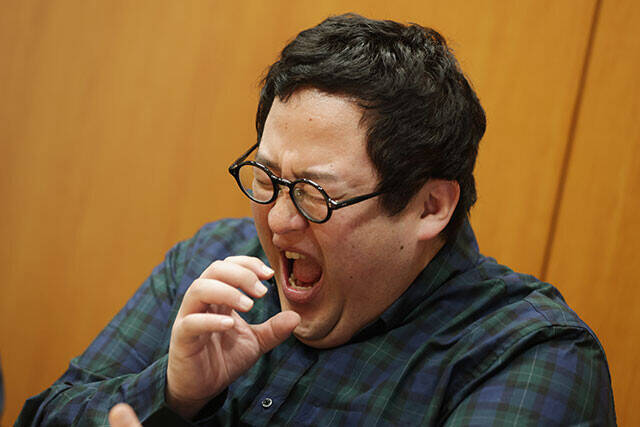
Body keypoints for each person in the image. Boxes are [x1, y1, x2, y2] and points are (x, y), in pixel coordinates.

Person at [18, 13, 615, 426]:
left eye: (314, 194)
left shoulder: (530, 354)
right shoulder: (215, 263)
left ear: (430, 207)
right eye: (267, 178)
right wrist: (173, 393)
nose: (278, 221)